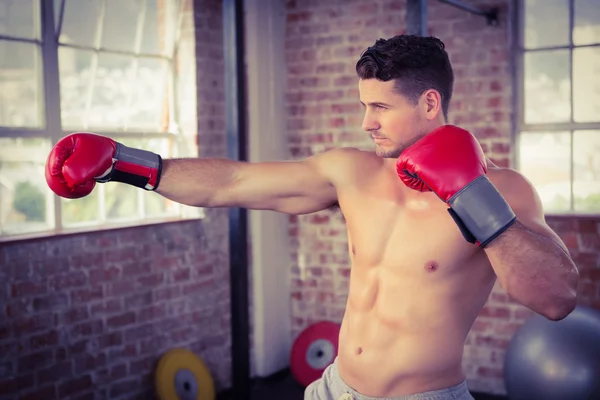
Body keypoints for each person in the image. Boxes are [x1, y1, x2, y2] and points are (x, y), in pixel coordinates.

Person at [45, 35, 580, 400]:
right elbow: (234, 182)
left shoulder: (502, 189)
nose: (366, 123)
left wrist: (471, 194)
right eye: (364, 105)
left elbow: (556, 298)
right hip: (334, 388)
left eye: (381, 107)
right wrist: (129, 164)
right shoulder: (352, 173)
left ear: (430, 103)